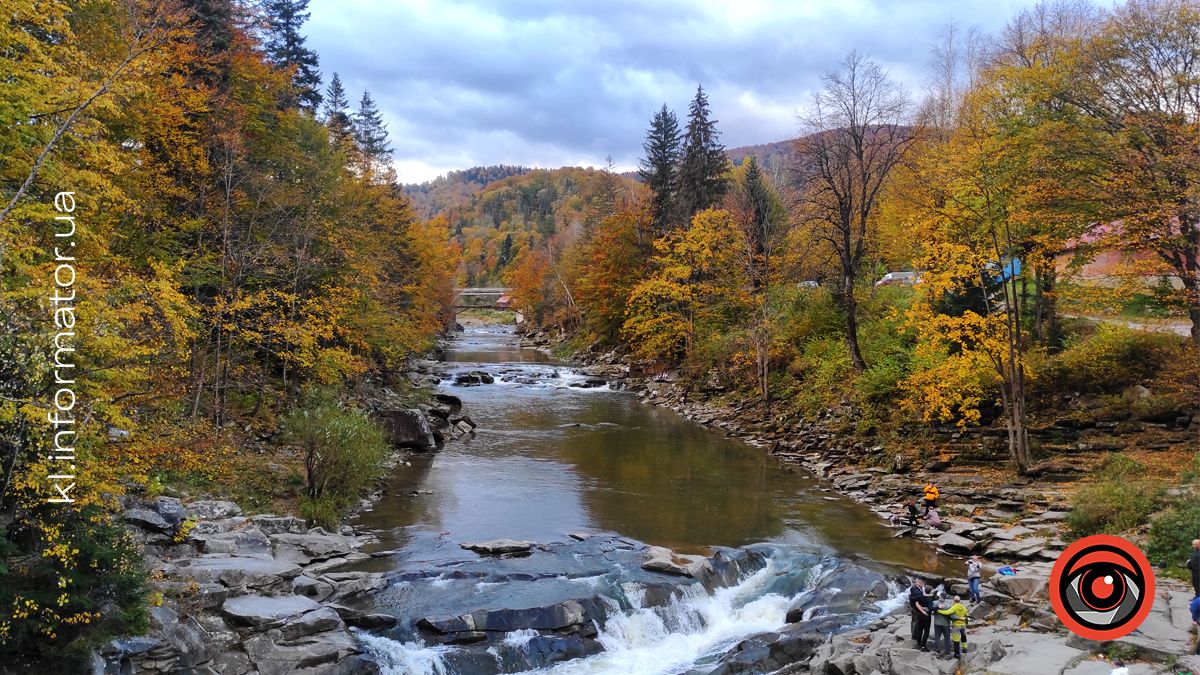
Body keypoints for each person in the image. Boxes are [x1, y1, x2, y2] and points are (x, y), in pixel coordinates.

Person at [909, 578, 931, 650]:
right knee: (916, 623)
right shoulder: (913, 589)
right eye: (921, 582)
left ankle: (917, 639)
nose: (922, 584)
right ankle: (915, 637)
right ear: (917, 582)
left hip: (918, 609)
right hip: (915, 609)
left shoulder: (920, 588)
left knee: (917, 623)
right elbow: (918, 598)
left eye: (922, 583)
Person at [931, 591, 952, 658]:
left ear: (940, 596)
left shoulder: (935, 603)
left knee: (937, 637)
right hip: (946, 623)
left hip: (937, 623)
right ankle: (948, 653)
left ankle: (938, 651)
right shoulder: (949, 604)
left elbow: (932, 610)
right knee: (947, 638)